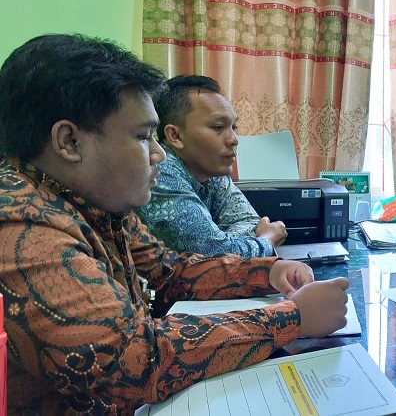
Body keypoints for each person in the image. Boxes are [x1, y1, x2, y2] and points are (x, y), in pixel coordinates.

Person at [0, 34, 349, 414]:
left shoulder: (93, 203)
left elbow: (169, 272)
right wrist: (292, 318)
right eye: (142, 136)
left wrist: (267, 272)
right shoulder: (22, 228)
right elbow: (132, 360)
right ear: (69, 142)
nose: (159, 155)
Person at [135, 75, 286, 258]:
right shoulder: (161, 172)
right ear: (175, 136)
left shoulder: (211, 170)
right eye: (218, 127)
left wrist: (223, 240)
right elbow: (213, 254)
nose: (234, 140)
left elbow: (249, 222)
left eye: (234, 127)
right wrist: (267, 239)